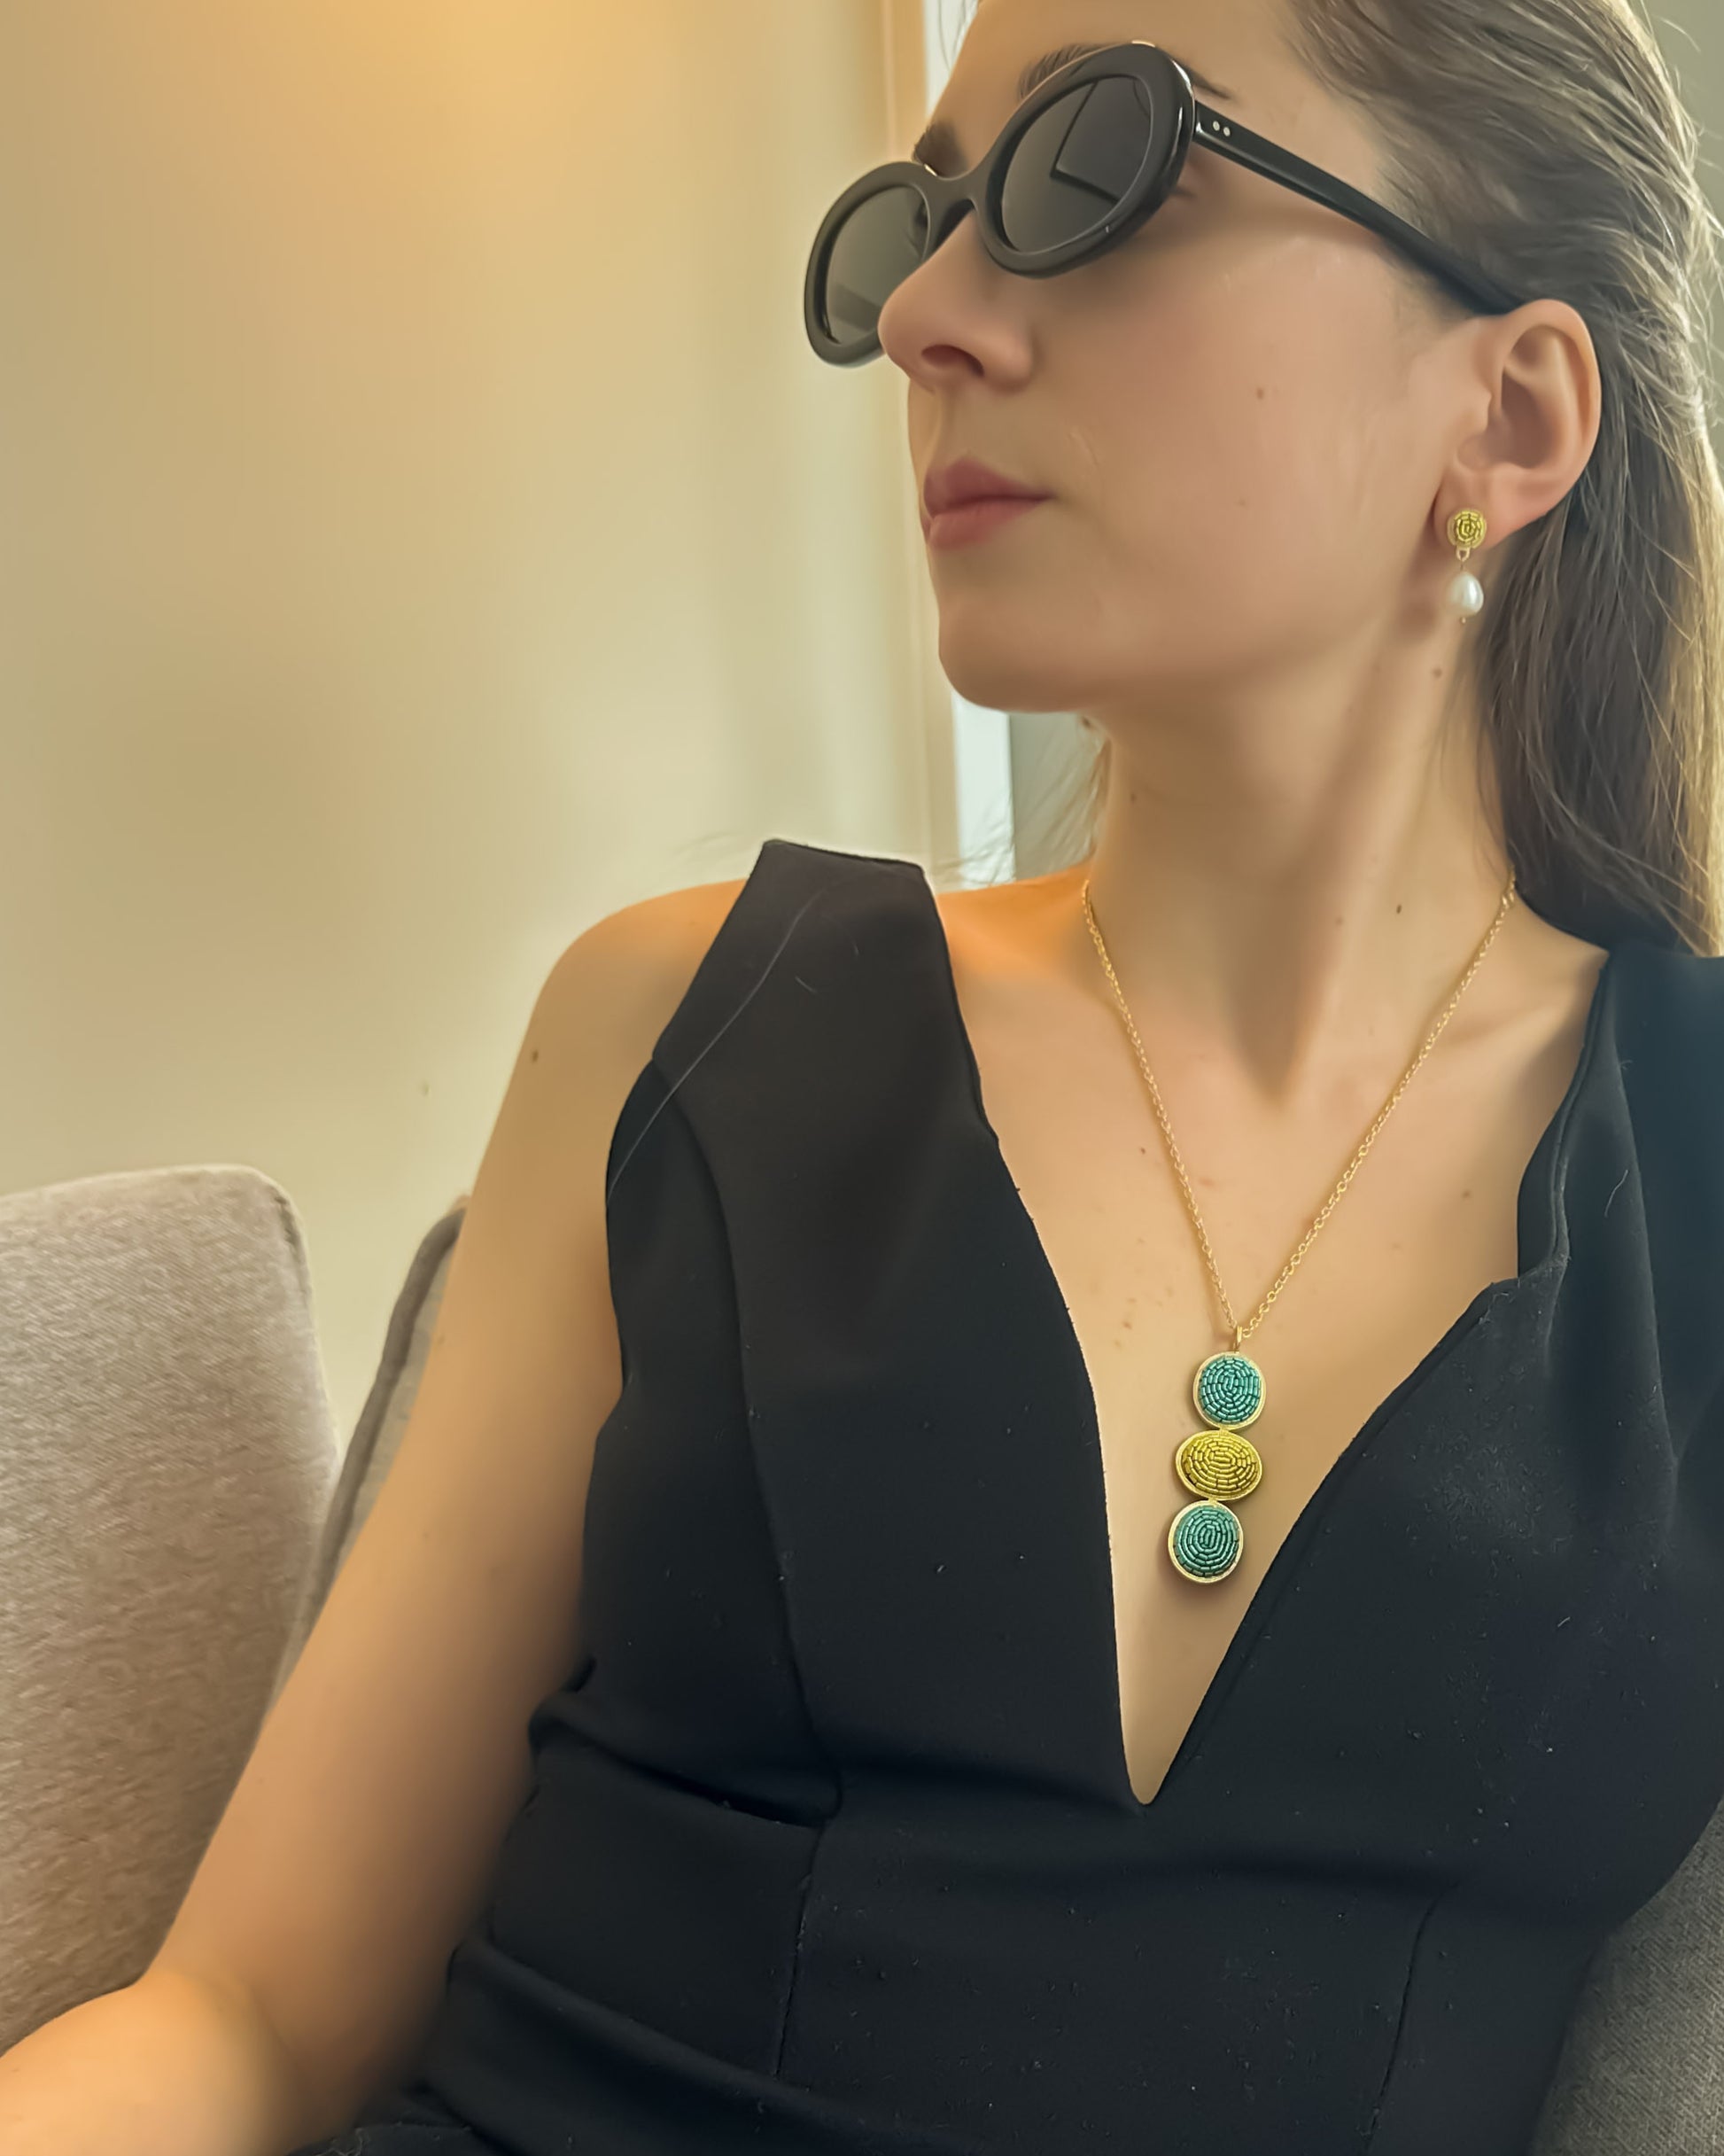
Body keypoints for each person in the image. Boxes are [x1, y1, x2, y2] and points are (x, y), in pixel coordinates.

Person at [4, 0, 1721, 2152]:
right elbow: (251, 2014)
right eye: (909, 226)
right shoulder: (689, 1025)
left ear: (1513, 406)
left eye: (1096, 170)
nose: (920, 317)